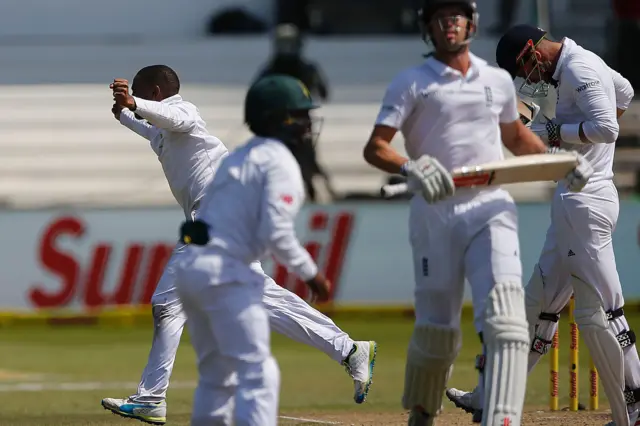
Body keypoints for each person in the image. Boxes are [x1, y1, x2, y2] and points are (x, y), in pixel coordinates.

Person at [101, 67, 377, 425]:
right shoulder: (165, 135)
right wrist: (124, 113)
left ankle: (151, 397)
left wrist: (133, 102)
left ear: (155, 92)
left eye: (141, 94)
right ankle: (350, 350)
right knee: (264, 299)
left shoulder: (187, 114)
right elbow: (150, 128)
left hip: (215, 223)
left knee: (167, 305)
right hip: (225, 227)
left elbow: (168, 116)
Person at [362, 2, 592, 425]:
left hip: (490, 208)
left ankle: (500, 418)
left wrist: (559, 160)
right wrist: (410, 166)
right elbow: (375, 147)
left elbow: (517, 140)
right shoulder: (410, 82)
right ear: (428, 27)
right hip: (434, 213)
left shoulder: (496, 80)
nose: (450, 23)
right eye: (440, 17)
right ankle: (423, 411)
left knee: (506, 323)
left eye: (457, 15)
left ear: (471, 23)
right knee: (438, 332)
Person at [445, 24, 639, 426]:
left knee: (605, 309)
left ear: (533, 50)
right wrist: (575, 139)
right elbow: (625, 92)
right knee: (537, 305)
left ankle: (635, 407)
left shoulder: (581, 70)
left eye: (523, 68)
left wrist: (557, 132)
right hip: (576, 199)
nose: (526, 79)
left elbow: (608, 128)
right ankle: (490, 396)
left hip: (584, 200)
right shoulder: (588, 63)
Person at [173, 74, 332, 425]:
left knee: (217, 379)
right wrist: (312, 273)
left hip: (191, 269)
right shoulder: (279, 161)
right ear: (279, 119)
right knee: (257, 375)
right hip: (227, 273)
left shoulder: (237, 158)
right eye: (300, 115)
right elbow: (276, 231)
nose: (307, 124)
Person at [254, 23, 336, 203]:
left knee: (305, 159)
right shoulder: (295, 69)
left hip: (292, 123)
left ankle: (318, 193)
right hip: (287, 123)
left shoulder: (275, 69)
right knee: (295, 160)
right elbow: (324, 93)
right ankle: (312, 193)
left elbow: (323, 93)